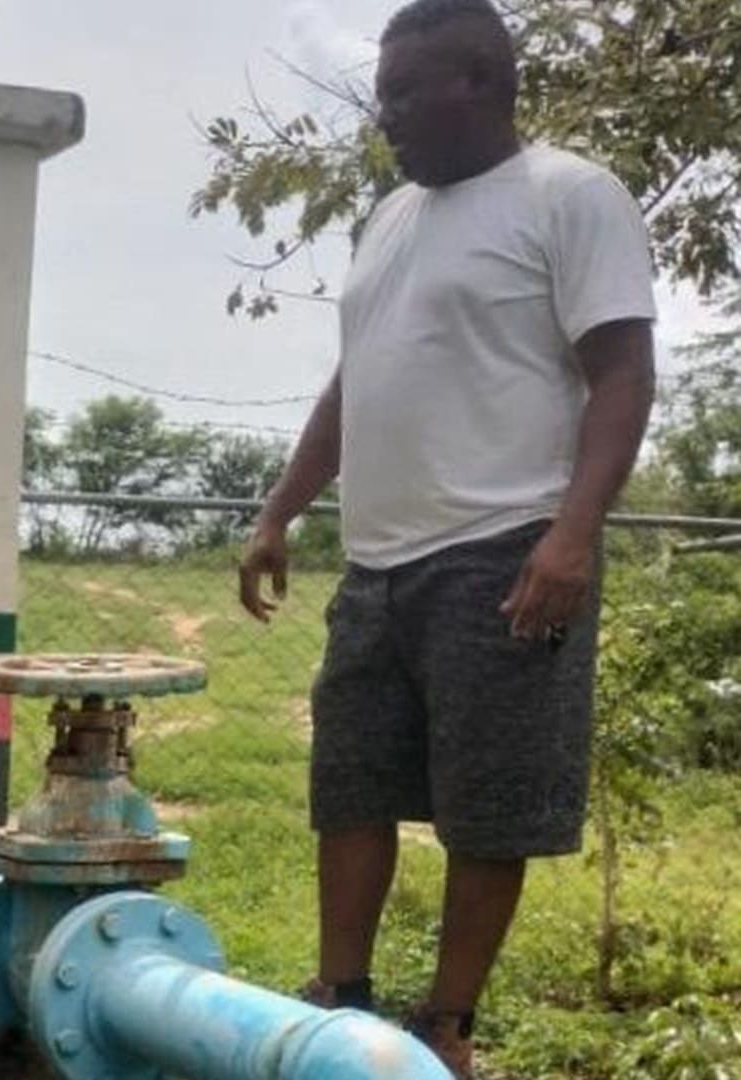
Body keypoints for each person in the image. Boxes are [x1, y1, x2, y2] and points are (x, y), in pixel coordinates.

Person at [234, 0, 656, 1074]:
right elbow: (356, 381)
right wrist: (280, 510)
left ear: (480, 79)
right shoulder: (388, 218)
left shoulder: (570, 194)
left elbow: (621, 372)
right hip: (377, 562)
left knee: (489, 807)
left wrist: (572, 536)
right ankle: (341, 999)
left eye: (404, 94)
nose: (387, 117)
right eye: (383, 97)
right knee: (351, 786)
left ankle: (444, 1027)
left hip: (507, 547)